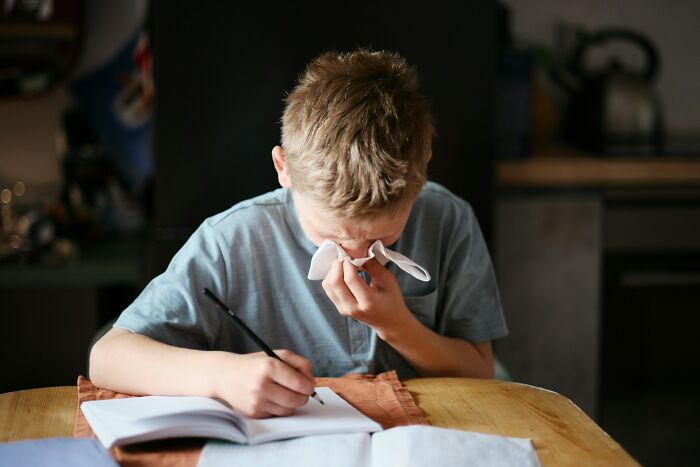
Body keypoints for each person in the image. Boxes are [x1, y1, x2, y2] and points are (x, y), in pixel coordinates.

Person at [90, 49, 508, 419]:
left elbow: (480, 373)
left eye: (383, 237)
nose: (357, 256)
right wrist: (222, 374)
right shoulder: (231, 241)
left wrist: (397, 324)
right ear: (283, 168)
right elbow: (108, 357)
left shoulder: (448, 220)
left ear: (425, 166)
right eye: (334, 235)